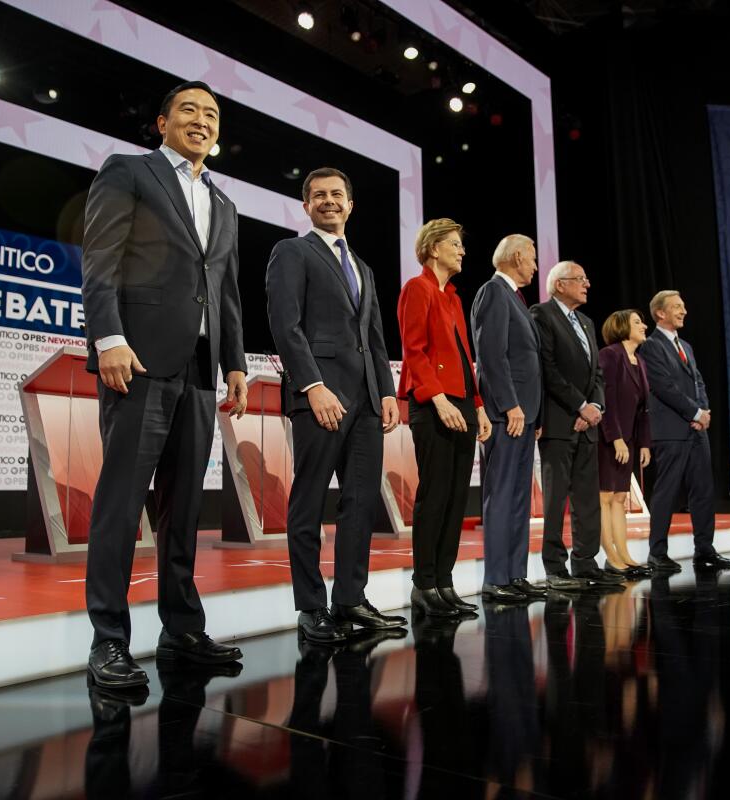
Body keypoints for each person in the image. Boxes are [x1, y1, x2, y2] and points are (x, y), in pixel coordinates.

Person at [81, 80, 248, 690]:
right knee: (123, 502)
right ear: (162, 122)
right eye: (189, 111)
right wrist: (108, 339)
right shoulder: (130, 171)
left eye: (212, 113)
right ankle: (108, 640)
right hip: (139, 357)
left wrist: (233, 361)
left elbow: (225, 290)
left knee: (182, 511)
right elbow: (99, 258)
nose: (201, 120)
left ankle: (181, 627)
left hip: (201, 369)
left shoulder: (225, 204)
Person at [265, 167, 406, 642]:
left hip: (366, 402)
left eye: (337, 194)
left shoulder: (363, 268)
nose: (328, 200)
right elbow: (286, 325)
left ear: (350, 205)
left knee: (361, 503)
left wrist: (386, 391)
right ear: (306, 206)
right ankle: (310, 609)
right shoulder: (292, 252)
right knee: (307, 504)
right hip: (320, 398)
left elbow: (375, 339)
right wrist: (311, 385)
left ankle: (350, 599)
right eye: (318, 195)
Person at [397, 219, 493, 617]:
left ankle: (444, 583)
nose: (462, 251)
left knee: (456, 498)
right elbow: (414, 350)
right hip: (433, 403)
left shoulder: (452, 297)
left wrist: (479, 406)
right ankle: (424, 584)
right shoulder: (416, 289)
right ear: (433, 248)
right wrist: (438, 400)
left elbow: (465, 358)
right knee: (435, 494)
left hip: (462, 402)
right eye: (455, 244)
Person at [529, 261, 623, 591]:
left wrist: (595, 406)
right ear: (559, 285)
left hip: (588, 424)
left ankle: (586, 562)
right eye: (579, 279)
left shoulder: (585, 321)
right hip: (559, 422)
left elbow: (597, 373)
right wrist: (580, 406)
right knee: (556, 500)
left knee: (586, 499)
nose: (587, 284)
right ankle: (555, 568)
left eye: (586, 278)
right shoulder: (542, 314)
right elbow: (548, 369)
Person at [470, 234, 546, 602]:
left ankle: (515, 577)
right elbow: (491, 356)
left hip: (525, 415)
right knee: (501, 497)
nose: (535, 265)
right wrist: (511, 404)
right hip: (507, 415)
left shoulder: (516, 297)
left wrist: (535, 413)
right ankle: (496, 579)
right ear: (517, 256)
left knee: (518, 499)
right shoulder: (493, 292)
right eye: (532, 258)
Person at [640, 290, 730, 572]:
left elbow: (699, 383)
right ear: (660, 313)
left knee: (704, 491)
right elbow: (663, 387)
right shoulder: (650, 346)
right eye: (677, 307)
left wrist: (703, 413)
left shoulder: (687, 347)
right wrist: (694, 412)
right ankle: (657, 553)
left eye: (683, 306)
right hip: (670, 430)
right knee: (666, 492)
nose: (684, 311)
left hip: (696, 430)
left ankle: (705, 550)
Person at [596, 309, 654, 578]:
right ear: (621, 327)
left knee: (620, 497)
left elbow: (644, 409)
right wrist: (616, 438)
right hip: (608, 439)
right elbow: (604, 399)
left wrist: (643, 444)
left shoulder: (639, 361)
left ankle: (625, 555)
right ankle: (611, 556)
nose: (643, 326)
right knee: (605, 497)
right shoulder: (610, 355)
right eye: (637, 322)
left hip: (629, 440)